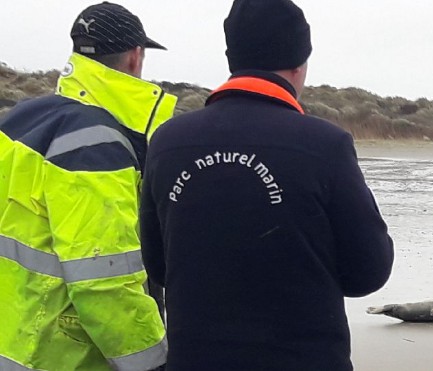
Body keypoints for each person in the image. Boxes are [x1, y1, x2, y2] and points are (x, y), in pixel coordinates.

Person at [139, 0, 395, 369]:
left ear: (232, 58)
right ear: (299, 63)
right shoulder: (325, 144)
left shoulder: (167, 142)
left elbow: (159, 266)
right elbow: (369, 272)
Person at [0, 2, 176, 370]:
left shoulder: (19, 119)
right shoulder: (97, 145)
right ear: (135, 57)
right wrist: (154, 363)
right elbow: (104, 283)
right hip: (56, 356)